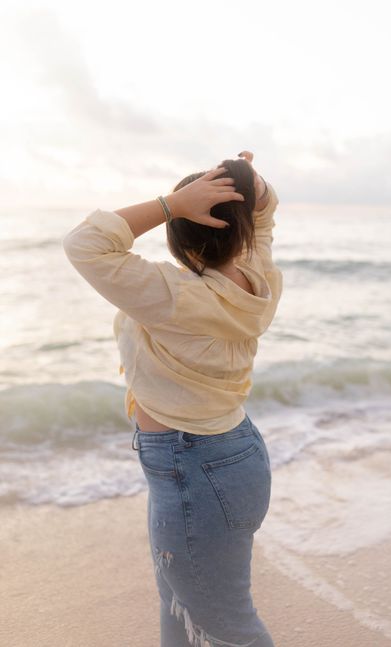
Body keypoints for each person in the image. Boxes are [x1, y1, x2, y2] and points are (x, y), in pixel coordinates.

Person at [62, 150, 282, 647]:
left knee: (228, 626)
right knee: (184, 605)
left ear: (180, 232)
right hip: (231, 455)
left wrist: (171, 202)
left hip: (194, 466)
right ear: (243, 231)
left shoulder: (175, 296)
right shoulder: (256, 275)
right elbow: (264, 218)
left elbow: (86, 243)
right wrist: (247, 183)